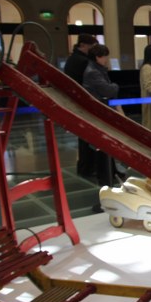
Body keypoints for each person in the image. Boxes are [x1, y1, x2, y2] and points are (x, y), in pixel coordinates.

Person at [82, 43, 120, 187]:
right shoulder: (94, 72)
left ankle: (111, 172)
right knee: (102, 146)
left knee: (105, 146)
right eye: (105, 57)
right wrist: (115, 86)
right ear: (98, 57)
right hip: (99, 112)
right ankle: (105, 177)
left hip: (100, 110)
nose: (106, 59)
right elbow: (108, 90)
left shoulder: (96, 70)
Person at [63, 33, 98, 179]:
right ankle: (88, 168)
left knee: (84, 138)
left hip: (75, 101)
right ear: (84, 45)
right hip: (84, 103)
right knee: (89, 138)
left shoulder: (72, 59)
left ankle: (85, 167)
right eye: (92, 46)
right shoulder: (83, 61)